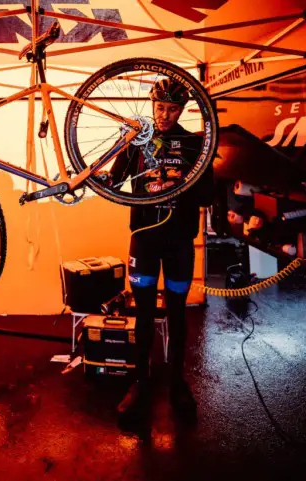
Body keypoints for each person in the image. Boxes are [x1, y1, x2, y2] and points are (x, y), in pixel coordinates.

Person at [106, 77, 214, 421]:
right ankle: (140, 382)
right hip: (144, 238)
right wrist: (124, 145)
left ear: (181, 110)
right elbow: (114, 181)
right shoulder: (139, 139)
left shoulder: (194, 144)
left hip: (180, 239)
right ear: (152, 106)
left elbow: (209, 195)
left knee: (177, 315)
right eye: (160, 107)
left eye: (171, 108)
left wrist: (180, 183)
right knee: (143, 315)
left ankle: (177, 383)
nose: (164, 115)